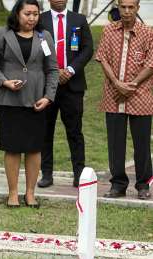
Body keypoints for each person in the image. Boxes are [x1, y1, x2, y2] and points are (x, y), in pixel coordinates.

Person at [0, 0, 58, 208]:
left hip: (37, 101)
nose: (32, 18)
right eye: (27, 14)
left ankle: (31, 193)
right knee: (13, 148)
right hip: (10, 101)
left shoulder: (45, 37)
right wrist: (4, 81)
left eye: (35, 14)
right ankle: (13, 193)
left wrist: (48, 96)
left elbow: (52, 69)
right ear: (17, 13)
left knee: (34, 149)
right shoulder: (1, 34)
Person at [95, 0, 153, 200]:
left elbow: (151, 63)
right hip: (113, 95)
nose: (127, 11)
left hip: (141, 96)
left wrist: (131, 85)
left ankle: (143, 184)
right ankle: (118, 185)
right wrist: (117, 83)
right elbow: (103, 58)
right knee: (115, 142)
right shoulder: (109, 30)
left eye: (131, 7)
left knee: (142, 143)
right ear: (118, 8)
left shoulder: (148, 32)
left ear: (137, 8)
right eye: (123, 7)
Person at [37, 0, 93, 189]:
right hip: (47, 86)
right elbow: (37, 49)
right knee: (45, 131)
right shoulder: (40, 20)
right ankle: (46, 174)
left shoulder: (79, 19)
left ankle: (79, 175)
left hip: (73, 85)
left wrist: (69, 70)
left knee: (75, 132)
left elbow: (87, 49)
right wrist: (54, 71)